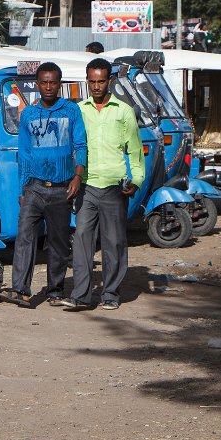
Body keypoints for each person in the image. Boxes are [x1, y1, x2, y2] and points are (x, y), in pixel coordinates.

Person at [0, 62, 87, 308]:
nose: (48, 87)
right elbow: (25, 154)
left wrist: (78, 177)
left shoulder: (71, 111)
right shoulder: (27, 114)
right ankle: (20, 290)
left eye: (53, 82)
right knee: (25, 237)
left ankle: (55, 291)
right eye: (44, 83)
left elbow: (80, 146)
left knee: (58, 243)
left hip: (62, 188)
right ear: (37, 85)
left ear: (60, 84)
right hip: (35, 188)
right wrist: (22, 190)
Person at [62, 58, 145, 312]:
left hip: (113, 187)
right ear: (86, 81)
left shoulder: (123, 111)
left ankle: (110, 293)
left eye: (101, 81)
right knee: (82, 241)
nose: (96, 86)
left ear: (109, 81)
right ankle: (81, 295)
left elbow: (135, 149)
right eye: (92, 81)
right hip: (86, 186)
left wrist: (137, 179)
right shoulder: (79, 110)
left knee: (114, 242)